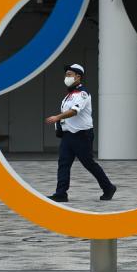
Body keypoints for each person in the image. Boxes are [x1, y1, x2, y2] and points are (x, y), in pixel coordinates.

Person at [44, 64, 117, 203]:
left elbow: (74, 111)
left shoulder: (83, 93)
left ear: (78, 76)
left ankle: (108, 187)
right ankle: (61, 193)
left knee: (89, 163)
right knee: (63, 163)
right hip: (68, 136)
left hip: (81, 135)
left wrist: (58, 117)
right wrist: (59, 125)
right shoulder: (69, 95)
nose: (66, 77)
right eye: (66, 74)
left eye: (69, 74)